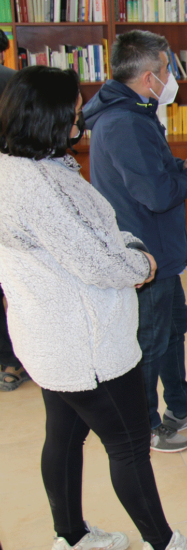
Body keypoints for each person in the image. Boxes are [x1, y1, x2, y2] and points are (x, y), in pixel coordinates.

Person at [0, 65, 187, 550]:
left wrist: (123, 246)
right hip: (86, 343)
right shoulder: (40, 186)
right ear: (45, 121)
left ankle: (72, 537)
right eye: (73, 118)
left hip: (47, 337)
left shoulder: (15, 167)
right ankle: (164, 544)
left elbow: (88, 235)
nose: (79, 127)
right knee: (130, 446)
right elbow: (94, 262)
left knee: (64, 434)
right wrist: (141, 262)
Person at [82, 30, 187, 453]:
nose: (171, 76)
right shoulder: (124, 121)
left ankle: (181, 407)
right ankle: (145, 425)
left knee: (174, 328)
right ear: (148, 76)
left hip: (162, 251)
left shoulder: (136, 109)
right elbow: (157, 193)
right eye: (167, 69)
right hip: (147, 254)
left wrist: (186, 166)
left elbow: (153, 168)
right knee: (150, 339)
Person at [0, 28, 25, 393]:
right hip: (12, 188)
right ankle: (16, 359)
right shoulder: (14, 84)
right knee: (16, 280)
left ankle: (7, 360)